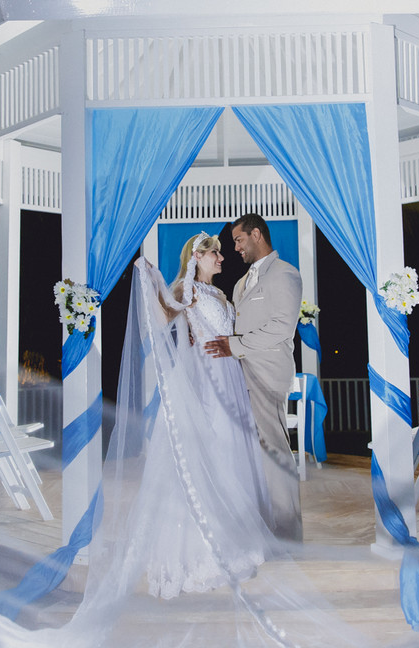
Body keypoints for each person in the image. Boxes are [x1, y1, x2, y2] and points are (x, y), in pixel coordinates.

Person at [101, 232, 273, 599]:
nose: (222, 260)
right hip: (203, 379)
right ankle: (200, 551)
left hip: (229, 378)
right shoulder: (187, 290)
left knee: (230, 457)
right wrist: (151, 281)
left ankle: (232, 539)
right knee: (205, 458)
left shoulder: (221, 295)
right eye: (216, 255)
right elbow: (164, 318)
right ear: (199, 256)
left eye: (223, 256)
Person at [205, 214, 304, 542]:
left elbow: (281, 327)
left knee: (274, 450)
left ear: (257, 234)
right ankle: (265, 523)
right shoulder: (240, 282)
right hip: (240, 377)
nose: (235, 248)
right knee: (255, 452)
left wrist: (234, 346)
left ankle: (289, 532)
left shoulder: (285, 274)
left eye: (238, 240)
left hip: (267, 374)